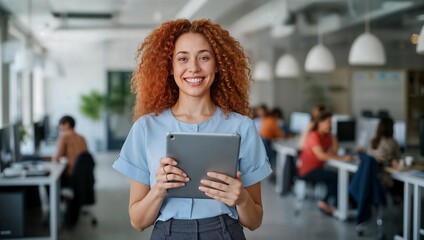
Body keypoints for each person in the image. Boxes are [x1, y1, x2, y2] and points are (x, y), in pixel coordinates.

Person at [112, 19, 272, 240]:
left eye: (204, 57)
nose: (194, 68)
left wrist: (241, 198)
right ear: (171, 67)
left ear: (217, 65)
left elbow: (254, 222)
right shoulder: (146, 128)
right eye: (183, 58)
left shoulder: (242, 126)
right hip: (167, 233)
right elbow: (138, 222)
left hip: (225, 232)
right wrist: (158, 189)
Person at [297, 111, 352, 215]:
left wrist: (334, 137)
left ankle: (337, 204)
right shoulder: (313, 135)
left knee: (337, 176)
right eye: (328, 122)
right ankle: (326, 202)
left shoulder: (328, 136)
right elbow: (321, 156)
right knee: (335, 177)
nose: (330, 125)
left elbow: (334, 152)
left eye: (331, 122)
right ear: (319, 123)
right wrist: (343, 158)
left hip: (319, 168)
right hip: (308, 170)